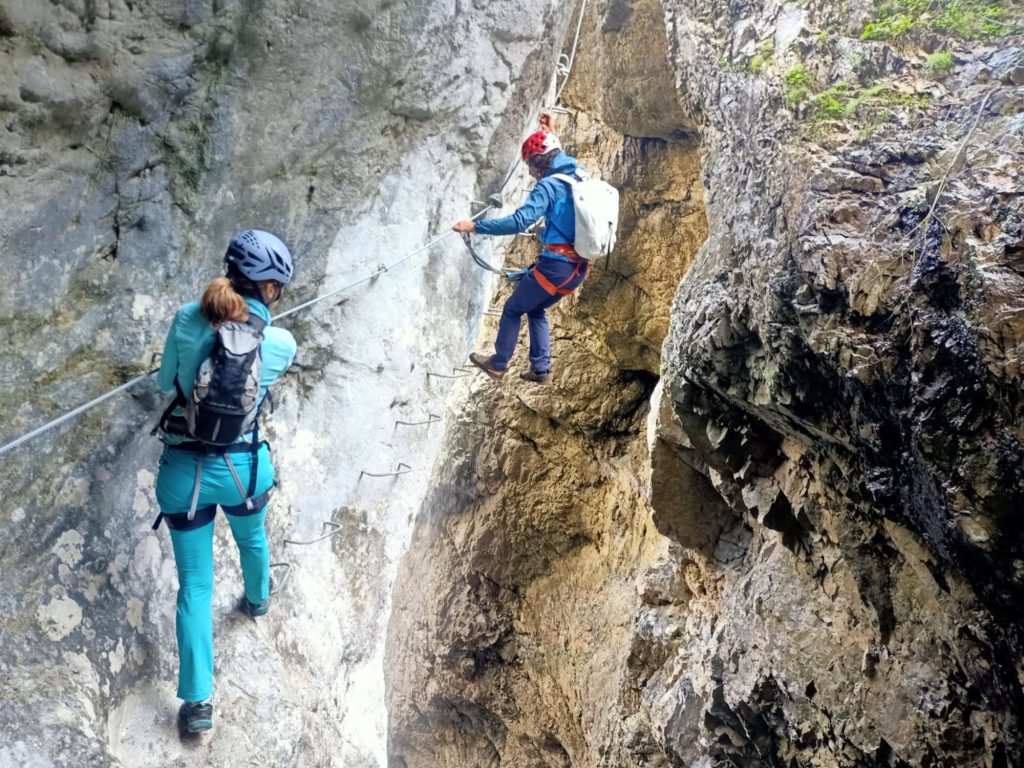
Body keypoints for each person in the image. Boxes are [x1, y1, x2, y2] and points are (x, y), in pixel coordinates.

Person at [154, 229, 296, 735]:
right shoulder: (280, 342)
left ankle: (198, 705)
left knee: (195, 584)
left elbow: (163, 382)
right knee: (252, 536)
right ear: (271, 289)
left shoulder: (185, 320)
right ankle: (257, 599)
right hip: (243, 470)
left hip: (183, 476)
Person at [453, 114, 589, 384]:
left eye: (532, 166)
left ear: (541, 163)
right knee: (535, 309)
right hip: (577, 269)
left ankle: (498, 363)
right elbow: (558, 154)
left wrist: (475, 227)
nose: (531, 172)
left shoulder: (548, 186)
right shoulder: (578, 174)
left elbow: (519, 221)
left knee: (513, 308)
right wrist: (548, 132)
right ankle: (540, 369)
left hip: (556, 266)